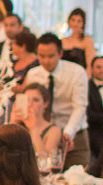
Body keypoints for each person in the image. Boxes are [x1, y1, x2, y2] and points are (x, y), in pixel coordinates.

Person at [34, 33, 89, 168]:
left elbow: (80, 106)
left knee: (75, 180)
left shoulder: (77, 72)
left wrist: (68, 132)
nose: (46, 61)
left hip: (74, 134)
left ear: (60, 54)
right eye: (42, 56)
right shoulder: (33, 75)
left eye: (51, 56)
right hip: (45, 135)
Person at [15, 83, 62, 166]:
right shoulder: (18, 126)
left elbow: (46, 163)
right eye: (27, 100)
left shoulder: (53, 130)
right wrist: (13, 123)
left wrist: (33, 129)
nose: (30, 104)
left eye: (36, 100)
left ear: (45, 104)